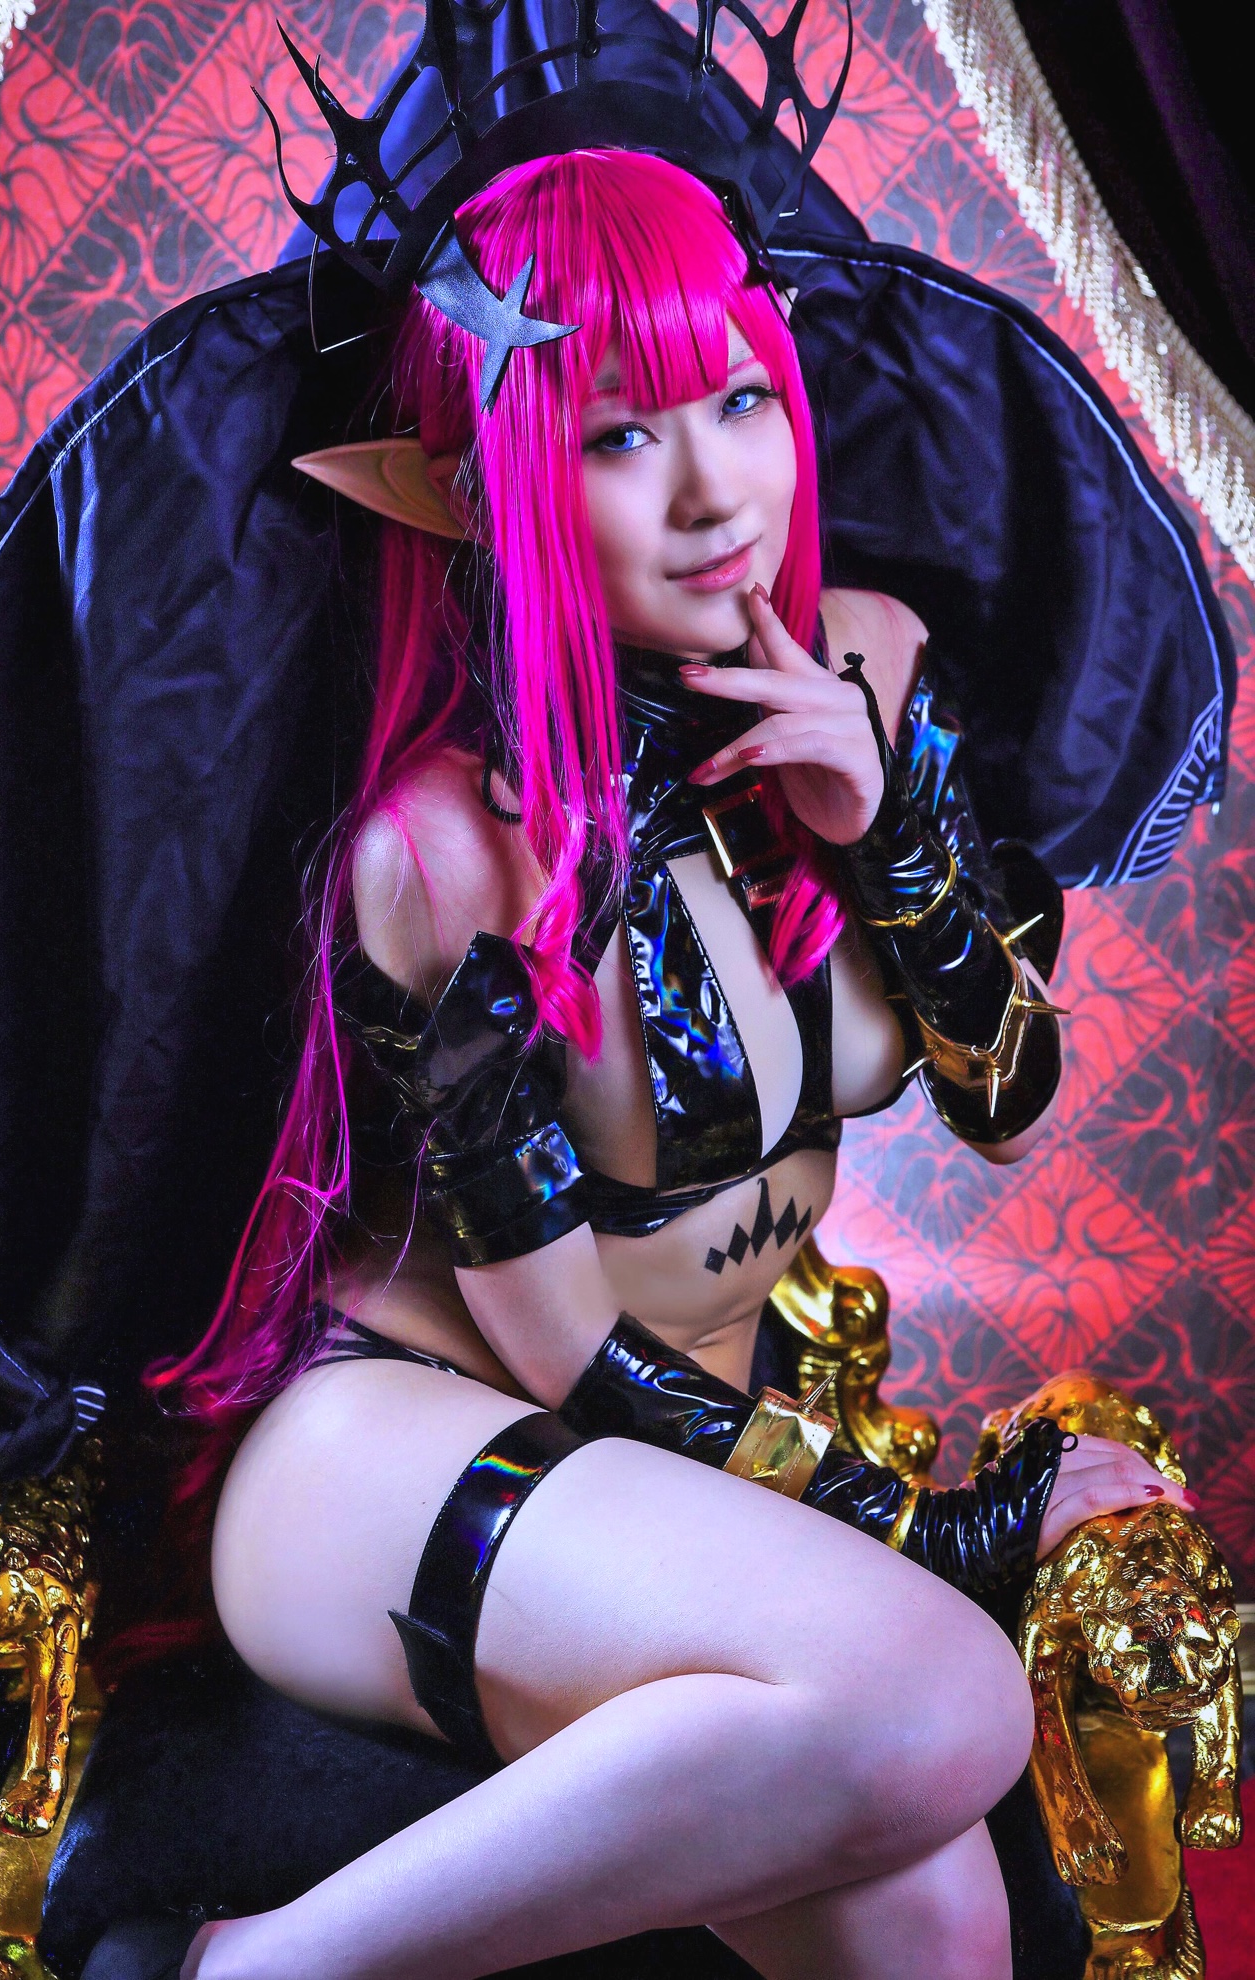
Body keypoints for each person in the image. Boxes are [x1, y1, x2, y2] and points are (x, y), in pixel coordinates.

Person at [138, 145, 1191, 1980]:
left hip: (693, 1451)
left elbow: (1010, 1114)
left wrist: (888, 836)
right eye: (619, 434)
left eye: (738, 398)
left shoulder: (870, 666)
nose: (717, 495)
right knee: (947, 1694)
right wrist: (946, 1527)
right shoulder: (442, 851)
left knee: (937, 1916)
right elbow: (560, 1350)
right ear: (478, 485)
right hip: (394, 1452)